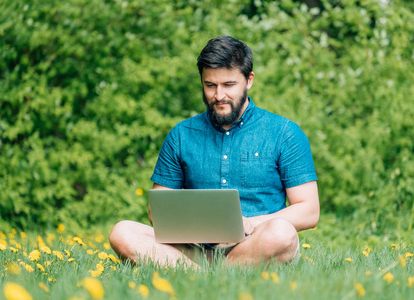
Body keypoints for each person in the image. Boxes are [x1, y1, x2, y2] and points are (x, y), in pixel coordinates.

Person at [109, 36, 319, 268]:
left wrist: (250, 223)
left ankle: (198, 274)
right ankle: (205, 275)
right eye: (210, 85)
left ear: (249, 80)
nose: (219, 95)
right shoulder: (181, 134)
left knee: (282, 234)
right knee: (122, 232)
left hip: (257, 245)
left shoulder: (284, 133)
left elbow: (309, 211)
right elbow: (157, 211)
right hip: (195, 249)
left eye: (229, 85)